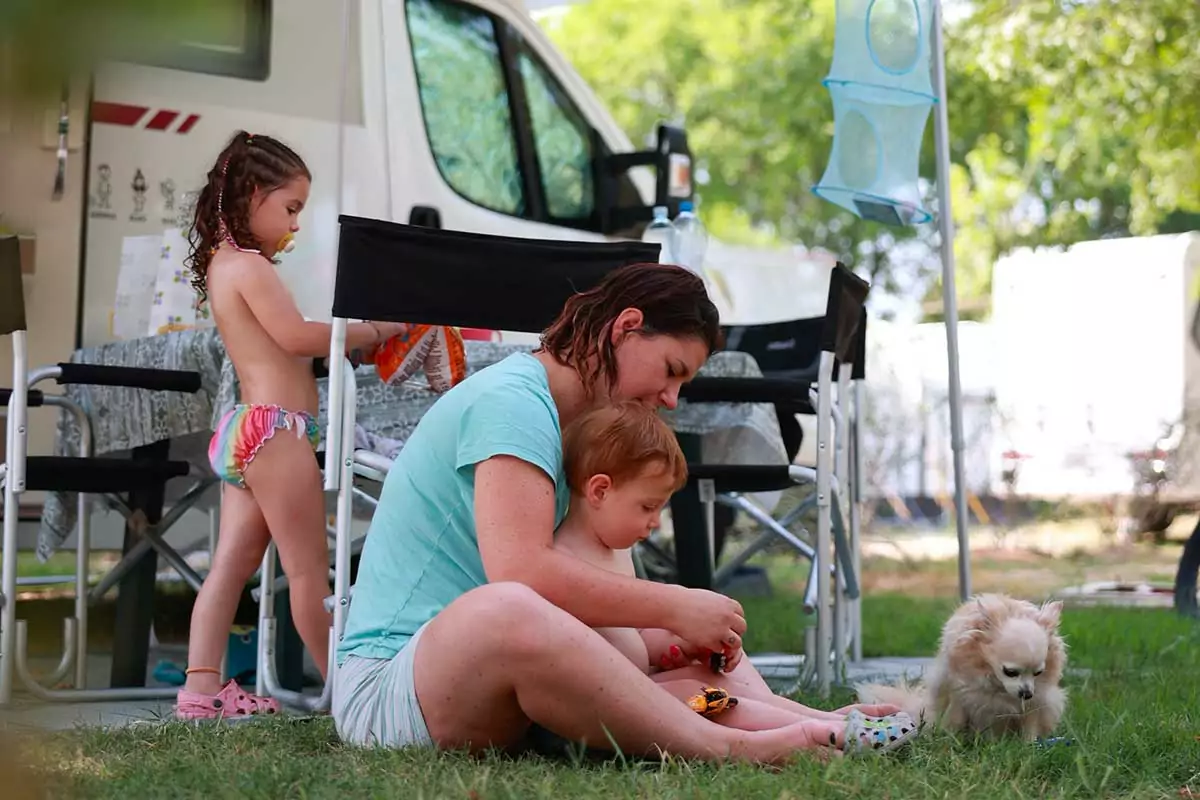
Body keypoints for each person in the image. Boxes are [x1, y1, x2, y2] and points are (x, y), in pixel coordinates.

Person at [333, 262, 900, 762]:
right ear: (626, 327)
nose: (673, 398)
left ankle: (807, 722)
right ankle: (734, 748)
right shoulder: (513, 404)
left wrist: (683, 629)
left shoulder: (581, 429)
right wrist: (675, 605)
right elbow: (522, 572)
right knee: (510, 605)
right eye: (671, 369)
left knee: (702, 667)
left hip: (486, 682)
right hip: (392, 691)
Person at [175, 131, 405, 719]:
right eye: (292, 208)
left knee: (227, 569)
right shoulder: (251, 266)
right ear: (253, 194)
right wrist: (379, 329)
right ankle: (351, 696)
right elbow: (298, 337)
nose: (296, 225)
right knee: (310, 573)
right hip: (276, 431)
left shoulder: (224, 265)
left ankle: (200, 695)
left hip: (243, 431)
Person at [554, 401, 916, 746]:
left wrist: (677, 646)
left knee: (716, 675)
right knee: (705, 698)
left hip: (640, 686)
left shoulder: (614, 548)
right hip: (603, 710)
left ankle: (816, 715)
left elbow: (623, 639)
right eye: (647, 507)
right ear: (600, 490)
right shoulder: (562, 562)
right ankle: (815, 730)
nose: (654, 523)